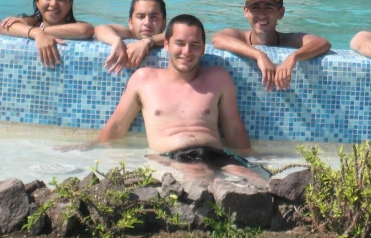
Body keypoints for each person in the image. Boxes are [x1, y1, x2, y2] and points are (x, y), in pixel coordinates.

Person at [100, 14, 265, 185]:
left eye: (194, 45)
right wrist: (91, 150)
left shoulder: (218, 78)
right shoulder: (144, 79)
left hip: (217, 156)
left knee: (260, 183)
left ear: (203, 49)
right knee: (198, 177)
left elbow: (235, 129)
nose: (186, 51)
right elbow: (116, 127)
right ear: (166, 44)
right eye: (180, 43)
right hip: (172, 158)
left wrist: (253, 158)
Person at [212, 0, 331, 91]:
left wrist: (293, 58)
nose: (262, 14)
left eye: (269, 8)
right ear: (246, 12)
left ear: (281, 13)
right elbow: (217, 39)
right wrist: (259, 55)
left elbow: (322, 43)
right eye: (255, 8)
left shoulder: (287, 40)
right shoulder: (240, 37)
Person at [0, 0, 94, 67]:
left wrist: (40, 31)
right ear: (37, 2)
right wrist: (36, 33)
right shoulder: (31, 24)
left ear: (69, 4)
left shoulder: (76, 27)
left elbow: (85, 30)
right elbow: (2, 26)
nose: (53, 3)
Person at [95, 0, 167, 74]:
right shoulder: (129, 34)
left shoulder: (168, 38)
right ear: (130, 22)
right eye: (140, 16)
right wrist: (116, 41)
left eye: (154, 17)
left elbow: (176, 36)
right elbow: (100, 29)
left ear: (164, 23)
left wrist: (147, 42)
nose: (147, 22)